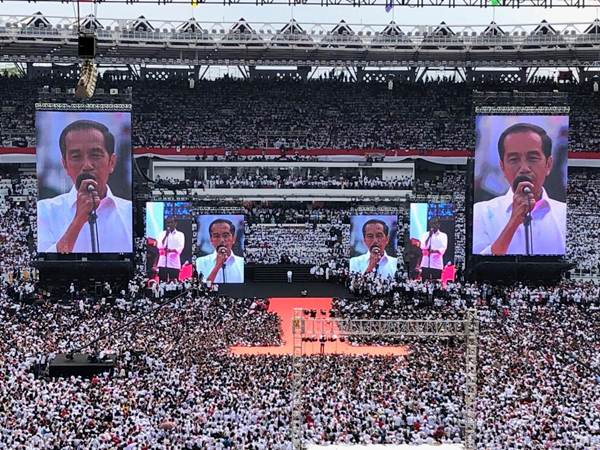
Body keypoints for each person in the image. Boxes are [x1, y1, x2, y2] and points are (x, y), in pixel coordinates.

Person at [37, 119, 132, 253]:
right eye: (76, 157)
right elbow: (43, 267)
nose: (87, 165)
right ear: (65, 164)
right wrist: (79, 220)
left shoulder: (131, 213)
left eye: (95, 155)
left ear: (111, 162)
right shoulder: (44, 211)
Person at [473, 123, 566, 255]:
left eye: (532, 158)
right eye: (514, 159)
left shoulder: (565, 215)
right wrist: (514, 221)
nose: (524, 168)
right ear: (502, 167)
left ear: (548, 165)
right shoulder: (480, 213)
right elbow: (478, 268)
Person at [195, 218, 244, 283]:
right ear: (211, 240)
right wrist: (218, 265)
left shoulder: (242, 263)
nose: (221, 240)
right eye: (216, 236)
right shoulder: (200, 262)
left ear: (233, 239)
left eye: (225, 235)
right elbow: (202, 288)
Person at [157, 218, 185, 282]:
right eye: (168, 223)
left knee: (174, 282)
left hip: (174, 263)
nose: (169, 224)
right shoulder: (162, 234)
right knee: (162, 282)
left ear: (175, 224)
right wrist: (165, 236)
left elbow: (180, 247)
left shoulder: (180, 234)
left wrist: (171, 250)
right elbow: (159, 246)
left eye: (171, 222)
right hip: (163, 263)